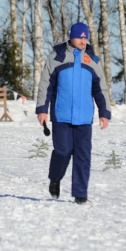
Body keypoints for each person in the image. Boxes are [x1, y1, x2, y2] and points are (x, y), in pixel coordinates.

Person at [35, 22, 111, 205]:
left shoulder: (92, 60)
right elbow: (46, 85)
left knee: (83, 155)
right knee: (62, 151)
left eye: (85, 38)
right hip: (61, 116)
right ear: (71, 37)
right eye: (79, 37)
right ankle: (55, 178)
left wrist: (104, 112)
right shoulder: (57, 57)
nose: (83, 41)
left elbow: (101, 88)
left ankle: (80, 195)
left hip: (84, 117)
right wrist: (42, 109)